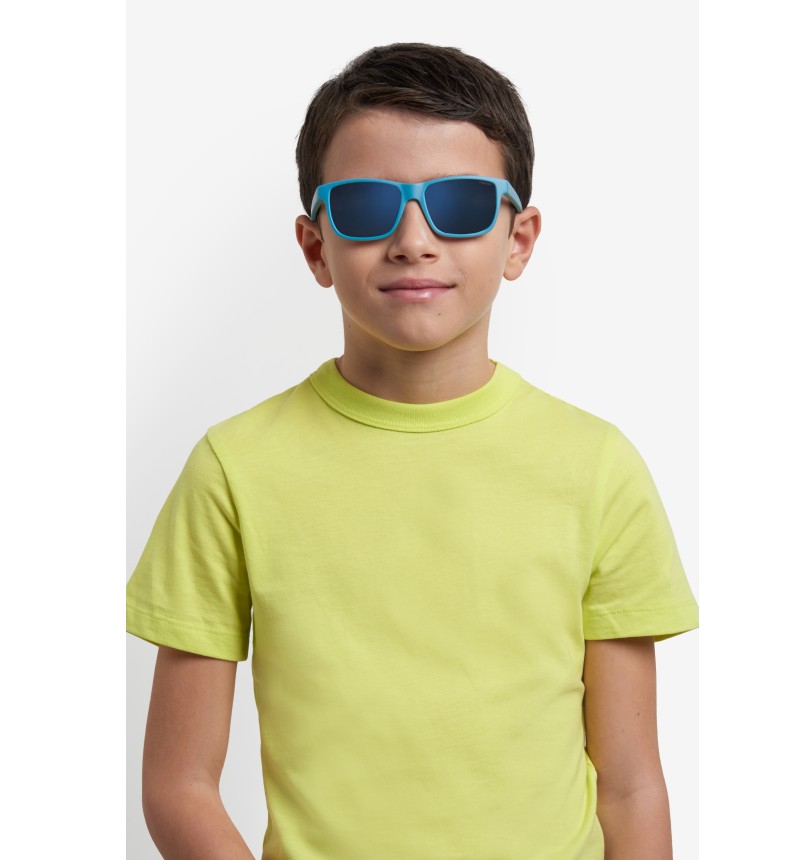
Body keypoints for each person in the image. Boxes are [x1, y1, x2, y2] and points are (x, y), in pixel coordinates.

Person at [126, 42, 699, 860]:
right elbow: (177, 784)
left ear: (518, 239)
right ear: (316, 246)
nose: (412, 239)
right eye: (367, 206)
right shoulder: (234, 468)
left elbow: (631, 786)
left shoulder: (598, 468)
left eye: (460, 203)